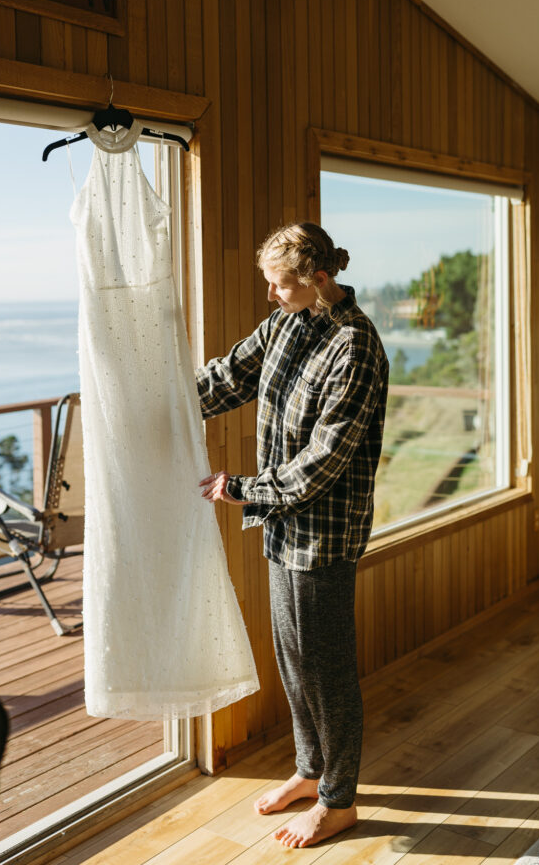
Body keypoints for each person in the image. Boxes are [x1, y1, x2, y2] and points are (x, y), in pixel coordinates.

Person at [195, 221, 389, 849]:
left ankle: (339, 801)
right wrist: (152, 400)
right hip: (282, 527)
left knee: (325, 668)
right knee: (293, 657)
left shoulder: (356, 348)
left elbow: (321, 465)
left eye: (280, 285)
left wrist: (243, 488)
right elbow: (229, 376)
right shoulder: (284, 323)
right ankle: (311, 771)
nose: (272, 296)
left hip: (323, 532)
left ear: (319, 279)